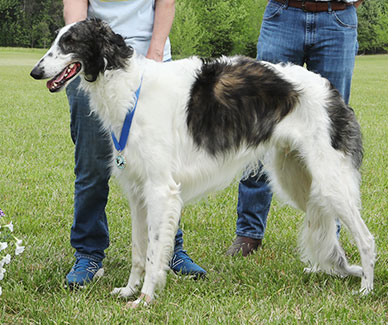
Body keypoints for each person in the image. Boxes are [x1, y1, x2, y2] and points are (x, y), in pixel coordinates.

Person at [63, 0, 206, 287]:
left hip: (152, 66)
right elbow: (76, 14)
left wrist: (154, 59)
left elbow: (166, 3)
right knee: (91, 169)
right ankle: (89, 254)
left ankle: (170, 251)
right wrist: (78, 54)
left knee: (161, 170)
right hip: (95, 65)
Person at [226, 0, 363, 257]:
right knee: (260, 127)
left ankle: (329, 238)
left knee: (331, 135)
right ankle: (249, 232)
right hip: (283, 14)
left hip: (338, 19)